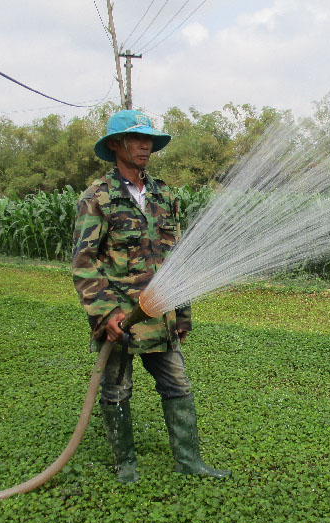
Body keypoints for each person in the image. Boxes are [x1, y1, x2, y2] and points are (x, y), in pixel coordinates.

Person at [71, 109, 229, 483]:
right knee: (116, 390)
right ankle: (126, 466)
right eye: (137, 139)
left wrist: (183, 315)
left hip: (161, 317)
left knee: (178, 386)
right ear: (115, 145)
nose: (146, 146)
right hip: (121, 322)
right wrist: (106, 313)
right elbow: (83, 262)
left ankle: (189, 461)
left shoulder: (165, 195)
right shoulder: (97, 199)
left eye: (150, 140)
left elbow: (178, 261)